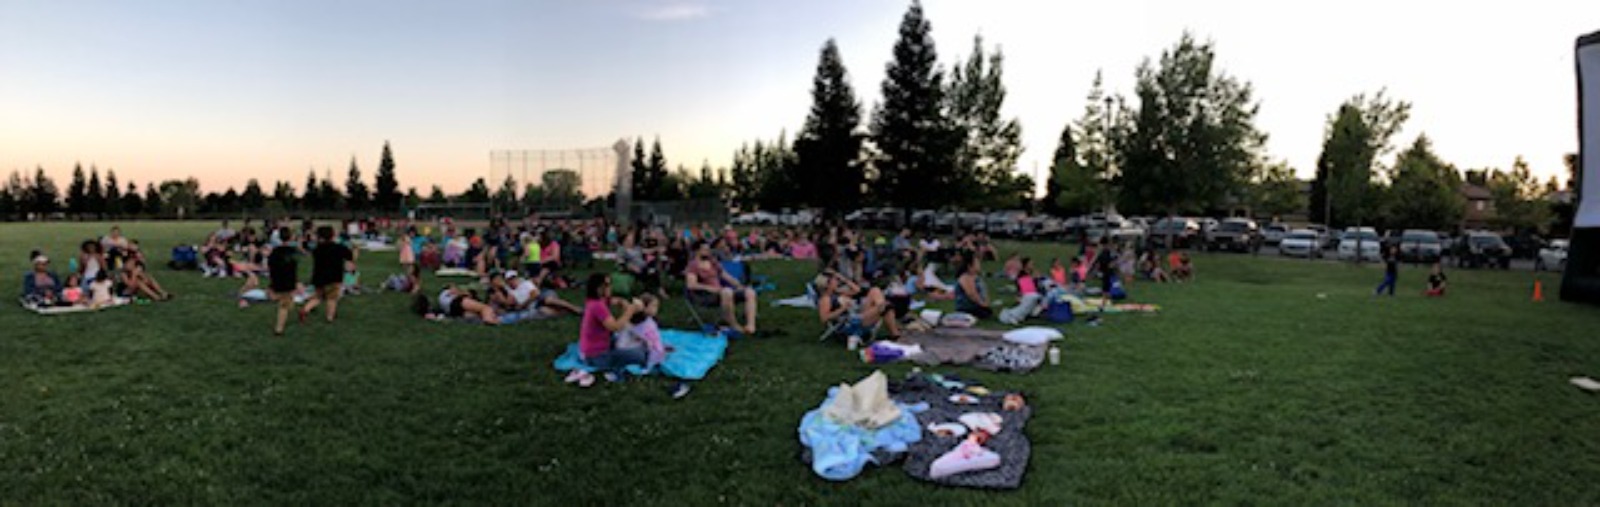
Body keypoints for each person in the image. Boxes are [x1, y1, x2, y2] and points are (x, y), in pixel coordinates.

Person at [565, 273, 643, 387]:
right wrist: (630, 311)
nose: (610, 287)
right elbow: (615, 326)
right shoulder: (597, 306)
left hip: (594, 348)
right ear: (599, 288)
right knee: (640, 355)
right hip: (598, 356)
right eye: (607, 285)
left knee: (624, 340)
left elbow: (614, 300)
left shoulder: (596, 301)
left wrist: (622, 302)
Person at [685, 244, 759, 334]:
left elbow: (726, 276)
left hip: (721, 291)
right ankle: (733, 325)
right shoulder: (693, 266)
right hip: (704, 295)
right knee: (727, 292)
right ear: (697, 251)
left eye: (708, 250)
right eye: (704, 250)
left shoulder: (713, 262)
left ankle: (750, 325)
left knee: (750, 292)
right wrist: (710, 288)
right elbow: (691, 285)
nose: (708, 252)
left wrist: (739, 285)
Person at [816, 272, 902, 340]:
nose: (838, 281)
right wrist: (843, 308)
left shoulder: (837, 292)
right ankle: (894, 330)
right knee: (885, 306)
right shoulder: (825, 299)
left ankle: (893, 328)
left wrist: (844, 279)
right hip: (850, 323)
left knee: (875, 290)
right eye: (835, 280)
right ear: (827, 284)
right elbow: (824, 318)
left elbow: (857, 290)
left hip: (857, 314)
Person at [301, 226, 353, 323]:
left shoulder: (317, 249)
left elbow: (307, 247)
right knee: (332, 299)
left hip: (318, 277)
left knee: (318, 297)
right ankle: (330, 317)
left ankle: (305, 310)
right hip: (334, 278)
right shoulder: (339, 248)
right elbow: (349, 255)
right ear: (332, 236)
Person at [266, 228, 299, 335]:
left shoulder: (274, 252)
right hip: (287, 281)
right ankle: (279, 329)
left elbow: (271, 267)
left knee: (287, 302)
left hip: (277, 279)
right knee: (284, 306)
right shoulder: (292, 252)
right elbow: (293, 269)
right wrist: (295, 283)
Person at [1000, 257, 1043, 325]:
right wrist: (1035, 279)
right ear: (1026, 265)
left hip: (1031, 294)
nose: (1032, 265)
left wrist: (1037, 279)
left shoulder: (1031, 274)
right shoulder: (1022, 275)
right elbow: (1027, 289)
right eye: (1031, 264)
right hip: (1025, 295)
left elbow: (1035, 287)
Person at [436, 284, 500, 324]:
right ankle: (489, 320)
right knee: (486, 308)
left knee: (472, 315)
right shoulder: (449, 292)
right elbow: (456, 292)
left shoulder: (442, 297)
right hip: (455, 302)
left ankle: (488, 319)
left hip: (452, 310)